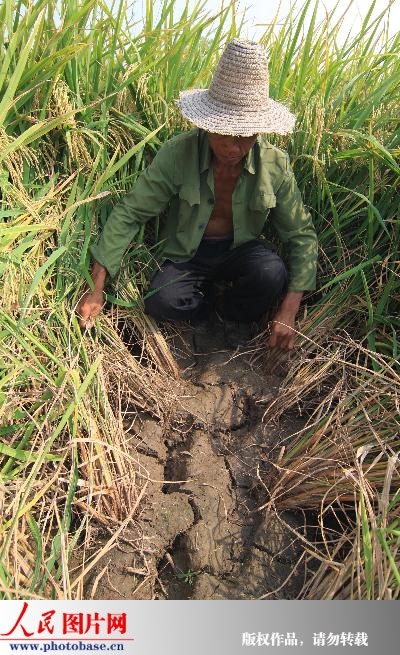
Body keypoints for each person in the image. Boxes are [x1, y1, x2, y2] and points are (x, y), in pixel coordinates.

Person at [77, 39, 318, 351]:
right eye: (225, 135)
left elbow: (301, 235)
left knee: (271, 273)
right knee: (162, 301)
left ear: (259, 131)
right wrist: (96, 286)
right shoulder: (179, 153)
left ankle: (232, 315)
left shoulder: (274, 164)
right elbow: (131, 213)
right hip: (187, 252)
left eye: (245, 137)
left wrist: (289, 311)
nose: (234, 148)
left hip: (239, 249)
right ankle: (203, 313)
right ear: (207, 125)